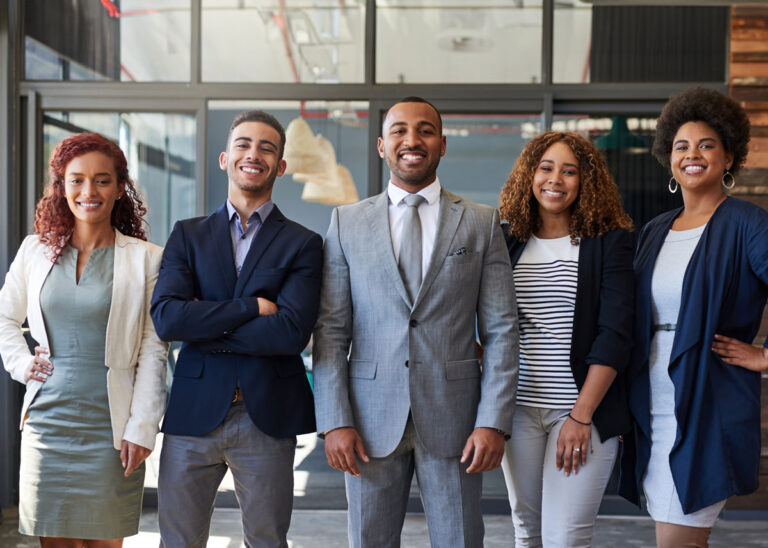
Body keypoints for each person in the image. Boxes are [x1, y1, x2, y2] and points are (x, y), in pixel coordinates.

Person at [312, 96, 519, 548]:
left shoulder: (481, 224)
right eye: (400, 131)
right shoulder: (346, 223)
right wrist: (334, 420)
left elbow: (503, 330)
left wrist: (492, 420)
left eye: (425, 130)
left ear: (442, 145)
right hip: (367, 420)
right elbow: (330, 331)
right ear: (383, 146)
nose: (413, 140)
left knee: (460, 540)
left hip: (457, 419)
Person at [150, 110, 322, 548]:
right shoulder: (187, 235)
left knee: (266, 541)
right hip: (193, 413)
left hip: (266, 414)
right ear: (225, 158)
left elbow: (289, 334)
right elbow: (169, 318)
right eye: (244, 144)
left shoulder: (303, 243)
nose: (254, 154)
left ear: (280, 166)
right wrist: (250, 307)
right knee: (178, 541)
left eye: (267, 147)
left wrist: (203, 321)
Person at [0, 132, 168, 546]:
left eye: (101, 180)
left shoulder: (147, 258)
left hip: (112, 429)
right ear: (61, 186)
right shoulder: (33, 251)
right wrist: (23, 365)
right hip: (47, 424)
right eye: (76, 180)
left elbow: (153, 348)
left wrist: (143, 428)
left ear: (119, 187)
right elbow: (4, 317)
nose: (88, 191)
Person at [619, 87, 768, 548]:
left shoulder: (747, 222)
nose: (692, 155)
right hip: (653, 404)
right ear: (669, 159)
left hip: (706, 406)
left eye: (707, 145)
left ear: (729, 158)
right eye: (681, 146)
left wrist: (764, 357)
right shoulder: (655, 230)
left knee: (679, 540)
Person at [498, 131, 634, 547]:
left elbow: (615, 334)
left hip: (579, 410)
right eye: (546, 167)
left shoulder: (610, 243)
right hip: (518, 408)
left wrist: (580, 416)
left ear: (585, 182)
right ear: (529, 175)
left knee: (567, 537)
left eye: (569, 171)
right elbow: (489, 318)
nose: (555, 179)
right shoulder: (507, 241)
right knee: (527, 532)